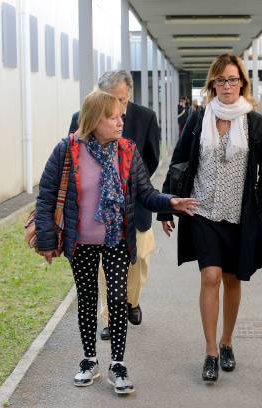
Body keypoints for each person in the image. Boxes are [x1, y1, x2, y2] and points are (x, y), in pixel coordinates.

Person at [36, 90, 197, 394]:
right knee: (86, 300)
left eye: (121, 115)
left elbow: (145, 193)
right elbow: (46, 195)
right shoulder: (67, 150)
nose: (121, 120)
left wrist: (170, 202)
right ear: (95, 120)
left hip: (117, 240)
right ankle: (89, 359)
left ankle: (118, 364)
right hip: (81, 242)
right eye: (113, 116)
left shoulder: (127, 151)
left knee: (118, 300)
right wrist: (46, 239)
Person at [158, 54, 262, 383]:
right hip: (203, 212)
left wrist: (259, 203)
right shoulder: (199, 120)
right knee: (210, 275)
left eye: (234, 79)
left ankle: (227, 342)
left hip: (239, 217)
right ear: (212, 85)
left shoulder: (254, 123)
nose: (228, 86)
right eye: (222, 80)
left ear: (242, 82)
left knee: (231, 279)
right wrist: (168, 205)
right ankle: (211, 351)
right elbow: (179, 161)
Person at [69, 70, 160, 340]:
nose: (116, 107)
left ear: (128, 95)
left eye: (121, 99)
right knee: (105, 269)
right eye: (110, 99)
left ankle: (132, 300)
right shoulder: (80, 119)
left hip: (136, 205)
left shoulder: (145, 118)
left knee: (140, 259)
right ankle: (111, 316)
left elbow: (152, 159)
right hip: (98, 212)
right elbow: (73, 158)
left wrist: (131, 182)